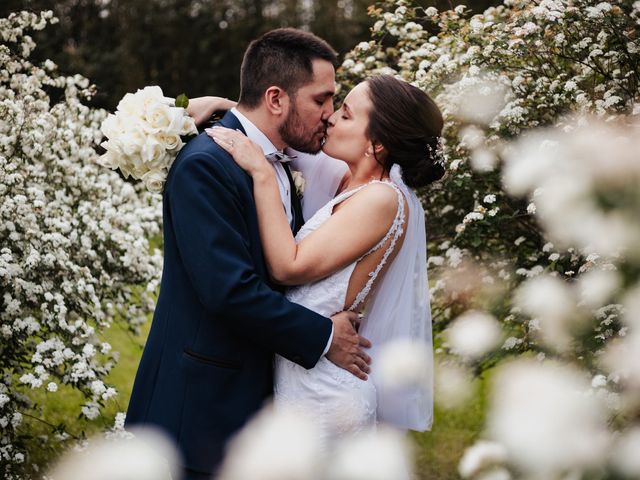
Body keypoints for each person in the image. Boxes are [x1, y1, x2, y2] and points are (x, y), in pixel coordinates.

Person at [125, 28, 372, 480]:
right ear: (276, 99)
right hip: (200, 407)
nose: (329, 115)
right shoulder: (205, 164)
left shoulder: (281, 159)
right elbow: (228, 291)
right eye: (321, 100)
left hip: (252, 403)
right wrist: (323, 336)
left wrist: (220, 104)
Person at [207, 74, 444, 444]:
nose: (331, 118)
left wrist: (261, 174)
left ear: (377, 144)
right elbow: (275, 133)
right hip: (302, 375)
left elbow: (289, 267)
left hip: (326, 396)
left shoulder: (382, 199)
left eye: (347, 115)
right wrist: (224, 106)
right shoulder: (343, 178)